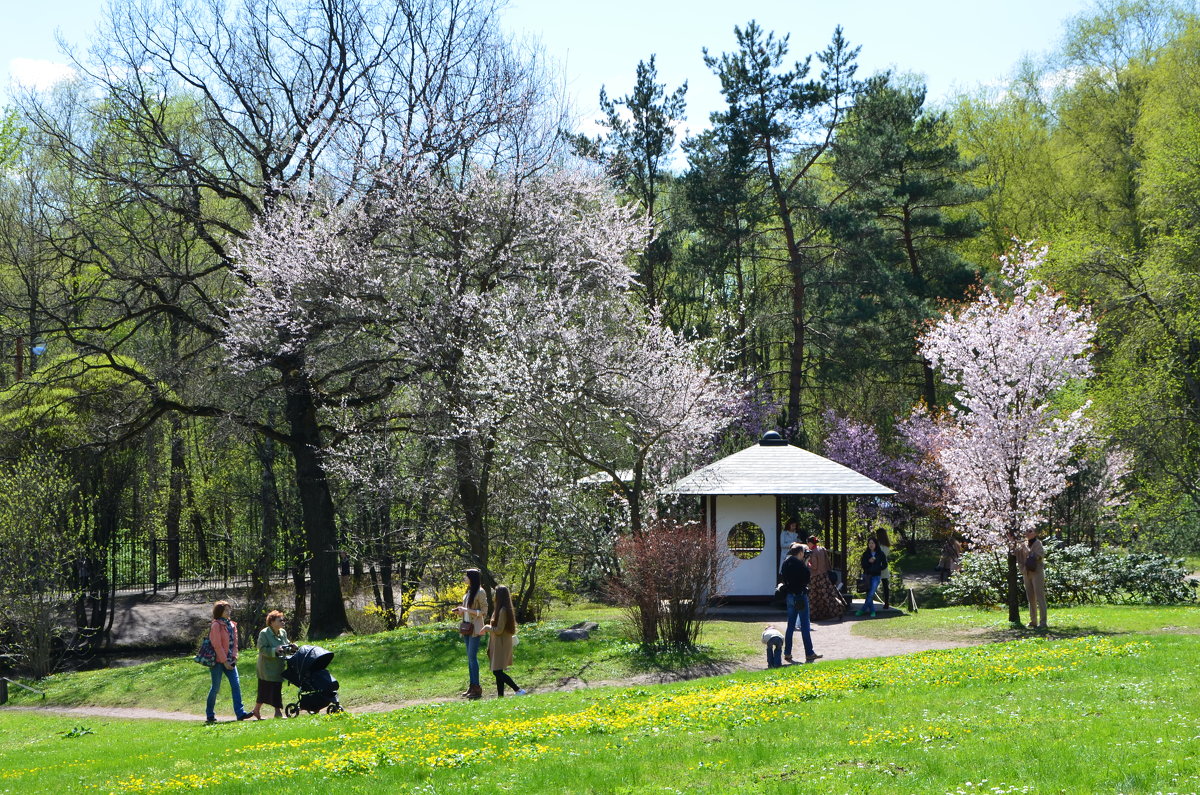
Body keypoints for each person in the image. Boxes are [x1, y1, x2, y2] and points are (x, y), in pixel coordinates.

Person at [206, 600, 251, 723]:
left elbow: (235, 643)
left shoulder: (232, 625)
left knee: (236, 685)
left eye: (228, 609)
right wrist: (224, 661)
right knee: (215, 688)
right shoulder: (216, 625)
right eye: (226, 610)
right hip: (217, 662)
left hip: (230, 660)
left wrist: (235, 657)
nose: (228, 612)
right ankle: (210, 715)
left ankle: (240, 713)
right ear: (219, 612)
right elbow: (217, 645)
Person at [779, 542, 822, 663]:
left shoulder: (785, 563)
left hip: (790, 596)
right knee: (805, 626)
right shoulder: (800, 564)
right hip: (800, 596)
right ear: (800, 553)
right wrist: (805, 564)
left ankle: (787, 653)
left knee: (790, 626)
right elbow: (807, 578)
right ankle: (809, 653)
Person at [481, 585, 526, 698]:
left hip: (501, 643)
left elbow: (499, 630)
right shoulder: (499, 609)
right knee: (498, 670)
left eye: (495, 593)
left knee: (497, 671)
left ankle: (518, 690)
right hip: (497, 643)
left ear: (499, 595)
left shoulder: (503, 610)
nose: (493, 596)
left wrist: (487, 627)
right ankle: (500, 696)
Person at [452, 568, 489, 700]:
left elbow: (484, 611)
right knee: (469, 658)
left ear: (472, 578)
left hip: (475, 628)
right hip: (466, 627)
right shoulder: (468, 592)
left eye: (466, 577)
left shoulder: (480, 591)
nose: (464, 578)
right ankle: (472, 685)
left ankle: (477, 687)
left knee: (472, 658)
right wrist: (461, 611)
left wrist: (467, 609)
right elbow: (469, 610)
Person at [252, 610, 295, 720]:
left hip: (278, 667)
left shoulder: (283, 632)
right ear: (271, 622)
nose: (283, 622)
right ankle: (277, 712)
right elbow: (261, 649)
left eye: (283, 620)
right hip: (266, 668)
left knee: (275, 688)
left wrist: (292, 648)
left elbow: (286, 646)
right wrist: (274, 650)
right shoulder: (264, 633)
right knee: (265, 689)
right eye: (280, 620)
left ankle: (257, 710)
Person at [804, 535, 846, 620]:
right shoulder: (822, 549)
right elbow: (828, 562)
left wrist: (808, 563)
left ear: (810, 543)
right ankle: (839, 609)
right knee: (829, 595)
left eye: (807, 543)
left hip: (815, 578)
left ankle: (814, 615)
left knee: (814, 597)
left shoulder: (812, 552)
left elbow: (814, 567)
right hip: (824, 575)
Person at [1016, 529, 1048, 629]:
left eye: (1030, 531)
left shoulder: (1038, 543)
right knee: (1031, 598)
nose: (1027, 533)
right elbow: (1018, 557)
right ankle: (1033, 621)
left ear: (1035, 533)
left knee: (1040, 597)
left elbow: (1039, 556)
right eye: (1026, 531)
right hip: (1026, 573)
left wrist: (1027, 549)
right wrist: (1022, 569)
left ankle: (1043, 622)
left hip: (1037, 572)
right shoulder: (1023, 544)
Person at [857, 538, 887, 617]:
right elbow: (863, 565)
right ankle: (872, 611)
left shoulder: (880, 553)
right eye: (869, 543)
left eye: (872, 543)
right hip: (867, 576)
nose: (871, 545)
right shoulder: (866, 554)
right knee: (868, 594)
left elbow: (885, 564)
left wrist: (878, 568)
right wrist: (869, 561)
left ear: (876, 544)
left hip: (876, 576)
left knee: (871, 594)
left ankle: (862, 610)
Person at [876, 529, 893, 610]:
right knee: (885, 585)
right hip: (884, 565)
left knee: (873, 583)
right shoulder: (887, 546)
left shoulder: (878, 546)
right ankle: (886, 602)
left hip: (877, 565)